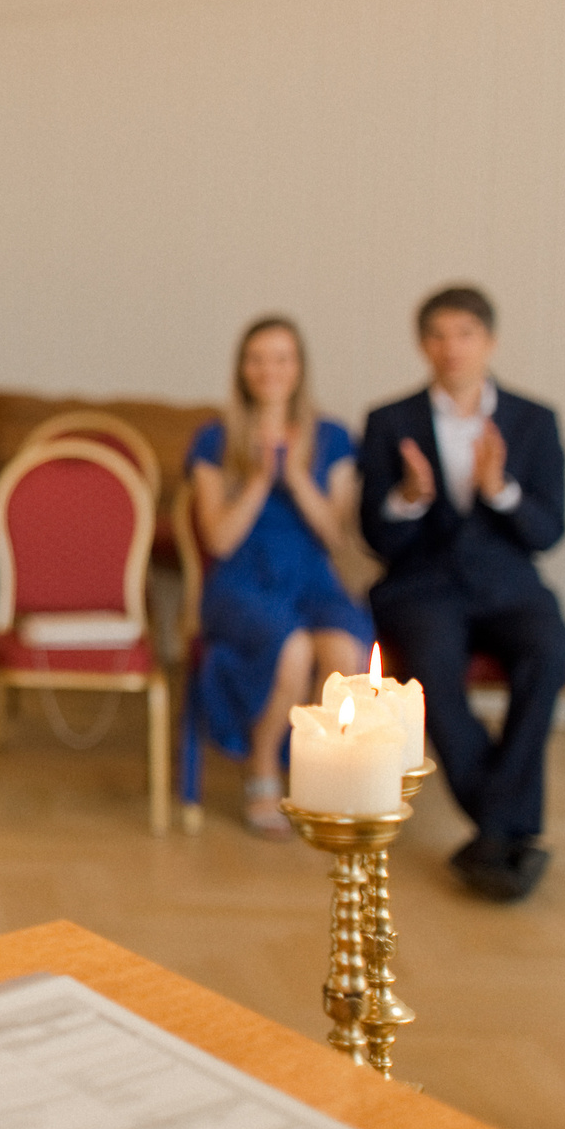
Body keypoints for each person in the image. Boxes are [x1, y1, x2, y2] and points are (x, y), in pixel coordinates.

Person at [358, 285, 565, 903]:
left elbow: (550, 530)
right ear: (423, 344)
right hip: (423, 588)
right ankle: (507, 825)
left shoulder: (536, 421)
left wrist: (501, 490)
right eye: (439, 336)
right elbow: (376, 537)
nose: (452, 349)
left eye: (465, 335)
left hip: (509, 585)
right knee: (427, 668)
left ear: (490, 341)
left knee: (549, 650)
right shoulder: (388, 421)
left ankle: (495, 826)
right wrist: (411, 498)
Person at [185, 317, 371, 837]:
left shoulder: (332, 437)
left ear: (299, 368)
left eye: (281, 358)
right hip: (241, 583)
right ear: (243, 369)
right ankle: (263, 767)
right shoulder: (214, 440)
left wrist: (294, 478)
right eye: (258, 358)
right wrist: (261, 482)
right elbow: (219, 540)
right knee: (291, 649)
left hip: (311, 580)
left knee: (343, 651)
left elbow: (336, 536)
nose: (270, 370)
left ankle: (330, 778)